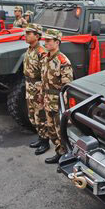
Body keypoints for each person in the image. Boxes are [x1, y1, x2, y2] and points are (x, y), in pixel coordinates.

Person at [40, 29, 74, 164]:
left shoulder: (63, 61)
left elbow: (67, 86)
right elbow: (43, 80)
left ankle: (66, 156)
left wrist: (63, 105)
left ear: (57, 42)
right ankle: (58, 152)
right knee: (51, 130)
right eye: (45, 40)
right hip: (47, 99)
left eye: (48, 41)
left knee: (61, 132)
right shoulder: (46, 57)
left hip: (58, 101)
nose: (45, 43)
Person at [24, 23, 50, 155]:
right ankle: (40, 137)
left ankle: (45, 141)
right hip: (29, 86)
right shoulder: (30, 49)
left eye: (29, 34)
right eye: (26, 33)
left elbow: (45, 75)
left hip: (38, 87)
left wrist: (41, 92)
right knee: (32, 115)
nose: (26, 36)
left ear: (37, 36)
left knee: (41, 116)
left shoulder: (42, 52)